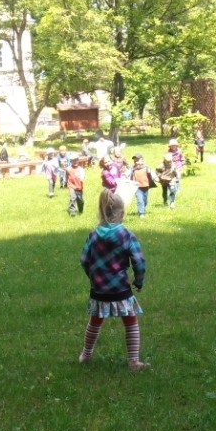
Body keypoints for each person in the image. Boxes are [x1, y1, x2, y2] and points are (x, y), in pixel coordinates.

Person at [79, 189, 149, 370]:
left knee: (95, 321)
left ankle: (86, 354)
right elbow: (139, 261)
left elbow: (84, 260)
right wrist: (138, 281)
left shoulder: (93, 235)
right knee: (131, 322)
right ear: (122, 212)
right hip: (121, 288)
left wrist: (93, 277)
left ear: (101, 212)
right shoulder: (127, 235)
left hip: (98, 289)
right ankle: (133, 361)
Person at [130, 153, 156, 218]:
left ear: (142, 161)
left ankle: (142, 208)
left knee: (145, 201)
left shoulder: (146, 168)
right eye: (135, 161)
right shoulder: (133, 168)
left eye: (137, 160)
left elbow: (152, 173)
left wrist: (155, 178)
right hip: (136, 187)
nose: (136, 162)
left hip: (145, 186)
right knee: (140, 200)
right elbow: (127, 174)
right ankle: (141, 213)